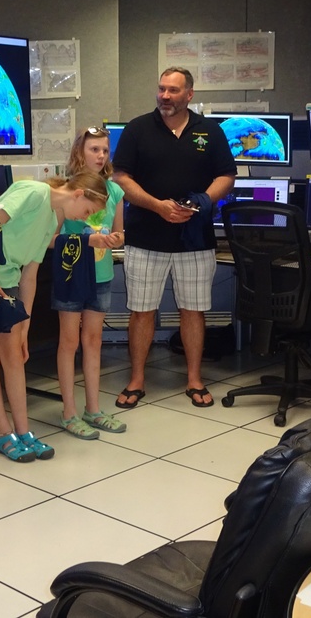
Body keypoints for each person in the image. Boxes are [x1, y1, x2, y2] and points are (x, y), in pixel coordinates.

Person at [112, 67, 237, 409]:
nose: (165, 96)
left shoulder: (209, 131)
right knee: (141, 311)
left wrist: (203, 203)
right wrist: (157, 206)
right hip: (146, 236)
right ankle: (137, 380)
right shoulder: (138, 129)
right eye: (161, 89)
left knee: (193, 311)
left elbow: (227, 175)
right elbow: (121, 176)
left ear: (189, 95)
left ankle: (194, 379)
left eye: (173, 90)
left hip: (194, 238)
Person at [0, 171, 109, 461]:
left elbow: (30, 276)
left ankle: (23, 431)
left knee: (14, 354)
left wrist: (24, 325)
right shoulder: (32, 193)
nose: (85, 218)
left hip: (7, 280)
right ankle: (3, 432)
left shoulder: (51, 219)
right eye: (87, 211)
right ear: (78, 194)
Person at [55, 127, 127, 439]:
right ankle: (69, 412)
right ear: (80, 152)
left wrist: (113, 239)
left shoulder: (115, 191)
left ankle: (93, 408)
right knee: (69, 342)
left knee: (93, 340)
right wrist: (87, 238)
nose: (100, 156)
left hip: (101, 275)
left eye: (104, 151)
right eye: (93, 149)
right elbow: (52, 238)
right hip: (72, 274)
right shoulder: (65, 189)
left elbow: (121, 233)